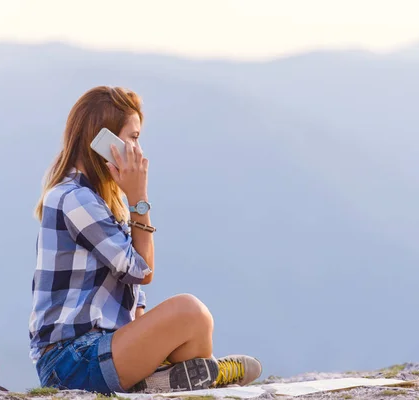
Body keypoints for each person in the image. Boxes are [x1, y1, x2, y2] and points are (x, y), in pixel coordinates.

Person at [29, 86, 261, 394]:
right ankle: (203, 373)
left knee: (197, 325)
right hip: (71, 360)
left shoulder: (102, 200)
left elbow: (132, 291)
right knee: (189, 311)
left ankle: (160, 378)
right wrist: (139, 198)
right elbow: (141, 270)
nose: (138, 150)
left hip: (105, 347)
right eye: (133, 137)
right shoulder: (73, 199)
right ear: (104, 141)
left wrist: (144, 339)